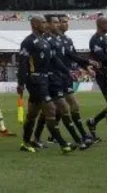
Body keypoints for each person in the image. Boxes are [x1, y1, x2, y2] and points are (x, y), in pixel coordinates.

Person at [17, 15, 73, 154]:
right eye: (42, 22)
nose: (45, 25)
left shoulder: (44, 41)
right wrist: (21, 83)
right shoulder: (28, 42)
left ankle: (26, 142)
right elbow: (23, 63)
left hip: (45, 80)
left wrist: (67, 71)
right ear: (34, 24)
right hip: (35, 81)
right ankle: (63, 144)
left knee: (32, 114)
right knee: (51, 109)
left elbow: (54, 60)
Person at [31, 15, 86, 150]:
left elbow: (70, 56)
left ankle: (39, 137)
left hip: (62, 76)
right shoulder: (44, 40)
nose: (62, 25)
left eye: (63, 22)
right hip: (50, 79)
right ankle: (80, 138)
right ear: (49, 24)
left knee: (53, 110)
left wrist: (84, 65)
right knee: (63, 107)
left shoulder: (62, 39)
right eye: (57, 22)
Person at [58, 14, 97, 145]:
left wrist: (86, 67)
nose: (66, 24)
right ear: (57, 23)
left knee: (57, 109)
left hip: (66, 76)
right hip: (57, 77)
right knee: (72, 105)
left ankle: (41, 137)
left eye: (67, 21)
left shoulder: (67, 39)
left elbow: (74, 56)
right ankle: (83, 135)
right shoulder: (52, 40)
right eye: (63, 22)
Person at [87, 15, 107, 141]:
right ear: (101, 25)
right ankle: (93, 121)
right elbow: (103, 58)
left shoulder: (104, 38)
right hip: (103, 74)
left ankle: (93, 121)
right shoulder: (95, 40)